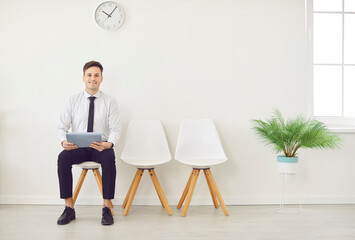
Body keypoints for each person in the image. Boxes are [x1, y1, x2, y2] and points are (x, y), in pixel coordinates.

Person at [57, 61, 121, 225]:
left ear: (101, 79)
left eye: (96, 75)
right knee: (63, 158)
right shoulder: (72, 100)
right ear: (84, 78)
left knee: (109, 158)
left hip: (100, 146)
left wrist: (110, 144)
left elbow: (116, 129)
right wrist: (64, 141)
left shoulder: (110, 101)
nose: (93, 78)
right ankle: (69, 208)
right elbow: (62, 127)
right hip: (78, 147)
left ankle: (107, 208)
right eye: (89, 75)